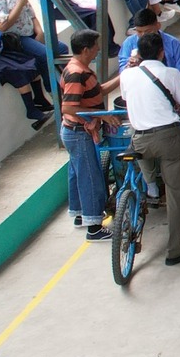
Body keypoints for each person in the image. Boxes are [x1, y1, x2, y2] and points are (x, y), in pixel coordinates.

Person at [121, 30, 180, 267]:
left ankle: (151, 188)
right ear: (162, 52)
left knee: (142, 162)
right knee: (177, 192)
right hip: (168, 137)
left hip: (139, 139)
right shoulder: (171, 73)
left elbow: (126, 98)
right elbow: (179, 101)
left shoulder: (127, 75)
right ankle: (175, 249)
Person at [55, 29, 117, 242]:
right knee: (90, 176)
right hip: (78, 132)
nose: (98, 49)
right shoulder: (76, 73)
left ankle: (81, 214)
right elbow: (68, 107)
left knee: (77, 173)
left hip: (73, 131)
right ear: (85, 49)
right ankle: (94, 228)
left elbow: (98, 91)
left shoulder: (79, 69)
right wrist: (101, 115)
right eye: (95, 46)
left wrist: (123, 76)